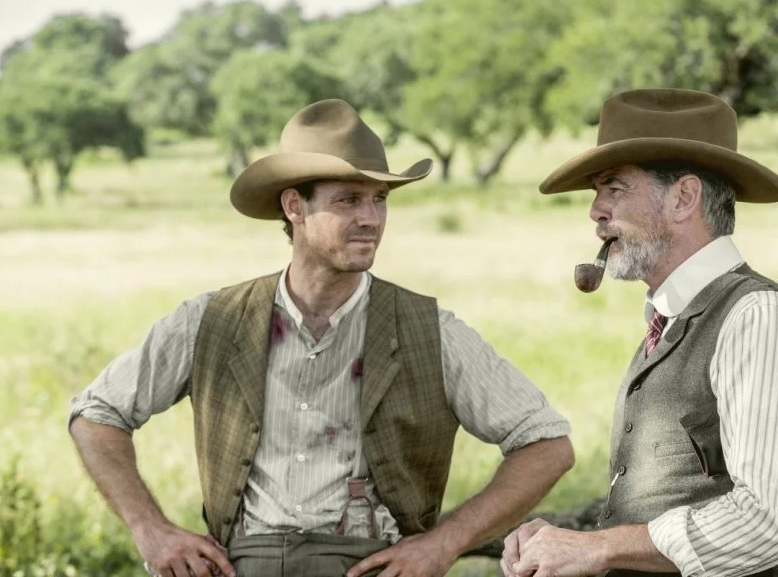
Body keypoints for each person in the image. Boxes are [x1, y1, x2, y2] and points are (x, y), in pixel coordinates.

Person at [69, 99, 574, 577]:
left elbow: (547, 444)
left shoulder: (429, 329)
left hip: (371, 565)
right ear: (295, 206)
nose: (370, 219)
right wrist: (151, 530)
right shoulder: (212, 320)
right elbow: (96, 414)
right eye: (349, 200)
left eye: (379, 200)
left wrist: (443, 543)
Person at [501, 88, 778, 577]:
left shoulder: (754, 317)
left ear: (684, 198)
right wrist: (567, 539)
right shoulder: (668, 318)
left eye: (614, 188)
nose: (596, 210)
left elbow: (765, 522)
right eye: (597, 191)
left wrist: (598, 549)